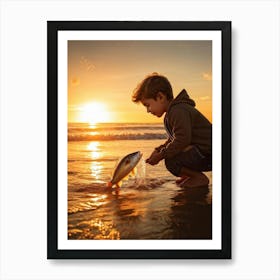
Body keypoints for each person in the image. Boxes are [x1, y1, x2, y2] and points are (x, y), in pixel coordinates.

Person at [132, 73, 212, 187]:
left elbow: (182, 139)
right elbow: (173, 138)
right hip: (205, 152)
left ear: (160, 97)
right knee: (172, 153)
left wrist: (161, 155)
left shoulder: (177, 111)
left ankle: (198, 178)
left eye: (147, 105)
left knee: (172, 160)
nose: (148, 111)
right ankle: (191, 175)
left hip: (210, 153)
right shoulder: (173, 112)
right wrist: (159, 149)